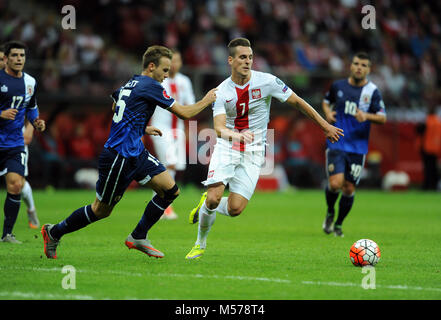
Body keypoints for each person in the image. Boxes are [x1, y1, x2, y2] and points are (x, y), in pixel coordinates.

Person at [41, 45, 217, 259]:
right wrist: (207, 99)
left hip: (136, 152)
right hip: (118, 155)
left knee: (170, 190)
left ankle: (138, 236)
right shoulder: (150, 86)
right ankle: (54, 232)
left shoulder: (131, 82)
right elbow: (184, 113)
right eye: (164, 70)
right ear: (151, 67)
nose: (166, 75)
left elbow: (117, 106)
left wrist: (139, 126)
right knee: (101, 210)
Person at [185, 38, 344, 260]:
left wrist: (325, 126)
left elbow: (298, 102)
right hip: (227, 146)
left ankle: (206, 203)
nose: (247, 61)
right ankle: (199, 244)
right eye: (242, 57)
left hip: (254, 150)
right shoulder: (220, 91)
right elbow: (219, 129)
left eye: (250, 57)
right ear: (230, 60)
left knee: (235, 209)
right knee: (214, 198)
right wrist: (237, 135)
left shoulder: (268, 81)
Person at [321, 52, 386, 237]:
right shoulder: (338, 86)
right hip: (337, 141)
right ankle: (330, 212)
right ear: (351, 66)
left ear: (368, 69)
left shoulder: (372, 91)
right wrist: (327, 113)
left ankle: (339, 224)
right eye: (356, 63)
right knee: (335, 183)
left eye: (363, 65)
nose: (359, 67)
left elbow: (382, 117)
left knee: (349, 188)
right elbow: (326, 102)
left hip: (358, 147)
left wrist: (367, 116)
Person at [0, 41, 46, 243]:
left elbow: (32, 106)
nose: (19, 59)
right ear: (6, 58)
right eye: (15, 55)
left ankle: (7, 234)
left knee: (16, 185)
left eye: (22, 56)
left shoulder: (30, 82)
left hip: (14, 144)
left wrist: (36, 122)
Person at [149, 49, 195, 220]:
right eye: (172, 61)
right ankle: (165, 205)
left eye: (177, 60)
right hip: (161, 127)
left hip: (178, 129)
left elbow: (190, 105)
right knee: (171, 164)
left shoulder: (185, 81)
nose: (174, 64)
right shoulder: (158, 81)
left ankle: (158, 201)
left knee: (172, 166)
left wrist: (189, 129)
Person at [417, 105, 441, 190]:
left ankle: (427, 185)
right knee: (434, 168)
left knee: (428, 168)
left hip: (426, 147)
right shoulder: (438, 122)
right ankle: (434, 185)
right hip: (436, 147)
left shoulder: (427, 121)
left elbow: (419, 131)